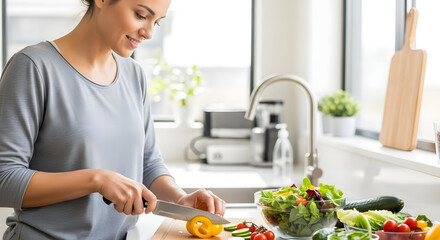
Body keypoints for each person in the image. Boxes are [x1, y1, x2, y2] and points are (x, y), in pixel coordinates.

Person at [0, 0, 225, 239]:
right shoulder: (33, 66)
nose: (148, 33)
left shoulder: (133, 74)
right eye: (140, 15)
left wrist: (179, 198)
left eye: (156, 22)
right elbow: (4, 179)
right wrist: (96, 179)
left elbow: (148, 163)